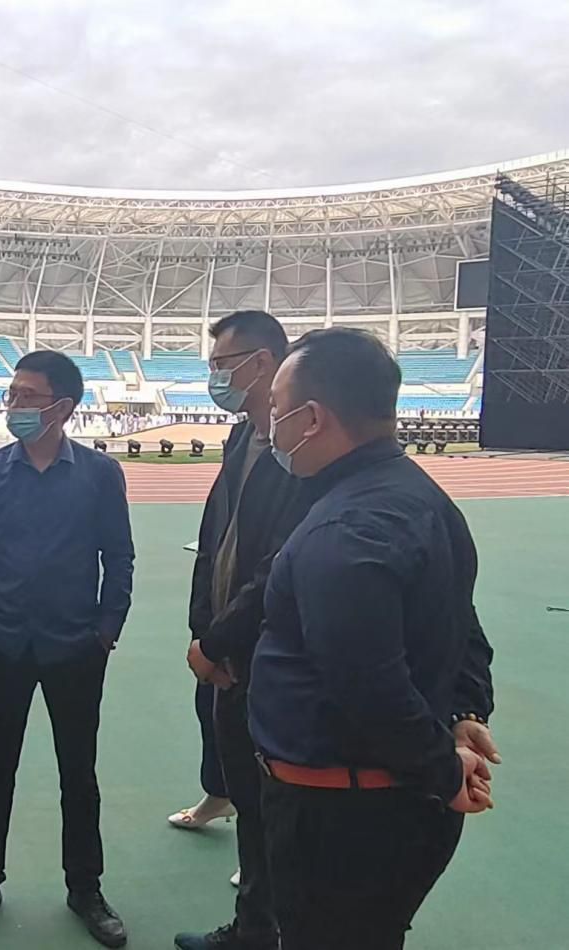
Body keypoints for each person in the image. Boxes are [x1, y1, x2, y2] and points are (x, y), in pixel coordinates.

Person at [250, 328, 498, 950]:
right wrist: (466, 710)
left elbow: (367, 683)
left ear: (312, 419)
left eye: (277, 409)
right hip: (387, 807)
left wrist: (444, 771)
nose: (270, 425)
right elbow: (460, 621)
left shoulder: (346, 527)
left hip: (342, 817)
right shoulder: (420, 496)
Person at [0, 350, 135, 948]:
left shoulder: (100, 474)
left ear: (63, 407)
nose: (15, 406)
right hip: (3, 643)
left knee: (78, 773)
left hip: (76, 647)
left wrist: (106, 628)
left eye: (27, 396)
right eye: (12, 395)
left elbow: (119, 556)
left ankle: (86, 888)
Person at [173, 311, 308, 950]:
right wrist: (204, 631)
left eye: (221, 365)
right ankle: (254, 925)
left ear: (261, 363)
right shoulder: (239, 440)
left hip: (267, 653)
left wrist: (222, 642)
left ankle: (269, 921)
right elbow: (215, 541)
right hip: (224, 647)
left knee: (276, 801)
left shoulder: (298, 455)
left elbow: (277, 565)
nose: (214, 377)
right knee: (250, 801)